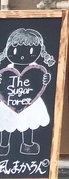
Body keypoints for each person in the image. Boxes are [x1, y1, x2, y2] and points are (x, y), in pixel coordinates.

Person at [0, 28, 55, 156]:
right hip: (8, 101)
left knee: (29, 122)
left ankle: (27, 145)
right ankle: (3, 145)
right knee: (6, 122)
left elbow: (40, 81)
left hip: (30, 101)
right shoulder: (7, 70)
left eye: (30, 51)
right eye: (15, 50)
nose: (22, 56)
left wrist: (46, 79)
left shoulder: (37, 69)